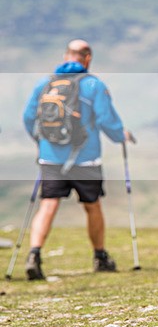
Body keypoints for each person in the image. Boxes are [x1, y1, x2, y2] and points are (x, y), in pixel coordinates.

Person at [22, 40, 133, 280]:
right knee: (92, 205)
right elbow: (106, 120)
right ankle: (100, 256)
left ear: (65, 56)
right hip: (86, 159)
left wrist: (41, 143)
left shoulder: (45, 84)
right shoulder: (93, 85)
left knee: (48, 204)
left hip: (50, 157)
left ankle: (34, 254)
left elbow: (29, 117)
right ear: (88, 58)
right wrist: (120, 135)